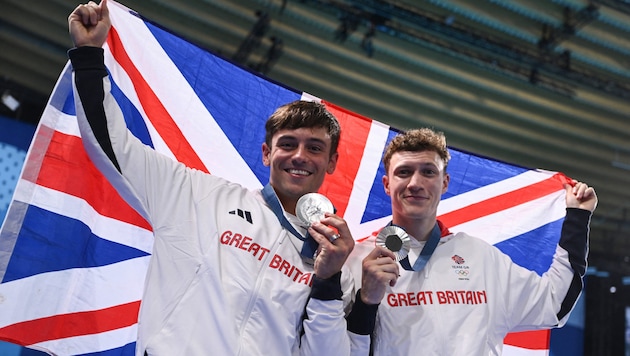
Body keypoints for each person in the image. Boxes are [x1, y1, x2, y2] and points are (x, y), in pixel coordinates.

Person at [67, 1, 357, 355]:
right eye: (288, 144)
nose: (299, 156)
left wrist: (328, 281)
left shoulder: (333, 253)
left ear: (331, 162)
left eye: (314, 148)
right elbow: (114, 148)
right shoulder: (197, 195)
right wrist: (88, 56)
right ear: (266, 153)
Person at [345, 128, 597, 355]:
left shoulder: (480, 257)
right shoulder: (358, 261)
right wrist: (365, 301)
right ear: (387, 185)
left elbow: (555, 304)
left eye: (428, 172)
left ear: (444, 183)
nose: (415, 183)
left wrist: (578, 217)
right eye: (404, 172)